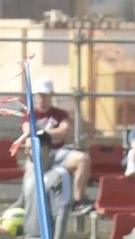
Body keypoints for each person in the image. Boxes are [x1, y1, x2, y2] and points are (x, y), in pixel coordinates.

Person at [23, 78, 92, 213]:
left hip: (57, 152)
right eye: (40, 95)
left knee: (83, 159)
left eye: (45, 95)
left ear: (52, 95)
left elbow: (63, 132)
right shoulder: (30, 114)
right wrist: (49, 135)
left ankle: (78, 201)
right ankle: (28, 205)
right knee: (31, 171)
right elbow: (27, 131)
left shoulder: (60, 114)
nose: (42, 99)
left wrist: (40, 133)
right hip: (38, 152)